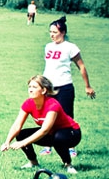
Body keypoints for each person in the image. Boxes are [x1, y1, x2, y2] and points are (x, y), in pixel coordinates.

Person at [0, 75, 81, 174]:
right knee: (21, 134)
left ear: (43, 90)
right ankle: (33, 163)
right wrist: (7, 142)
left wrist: (23, 143)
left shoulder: (52, 105)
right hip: (52, 133)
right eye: (29, 87)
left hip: (72, 134)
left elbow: (45, 130)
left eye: (34, 87)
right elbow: (17, 125)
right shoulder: (28, 103)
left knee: (58, 137)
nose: (30, 90)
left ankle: (68, 165)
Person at [39, 16, 95, 157]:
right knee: (47, 117)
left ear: (63, 32)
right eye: (50, 32)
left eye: (55, 32)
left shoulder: (70, 48)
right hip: (48, 88)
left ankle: (71, 147)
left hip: (64, 87)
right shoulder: (48, 47)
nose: (52, 35)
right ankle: (47, 146)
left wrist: (87, 86)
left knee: (66, 117)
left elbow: (81, 67)